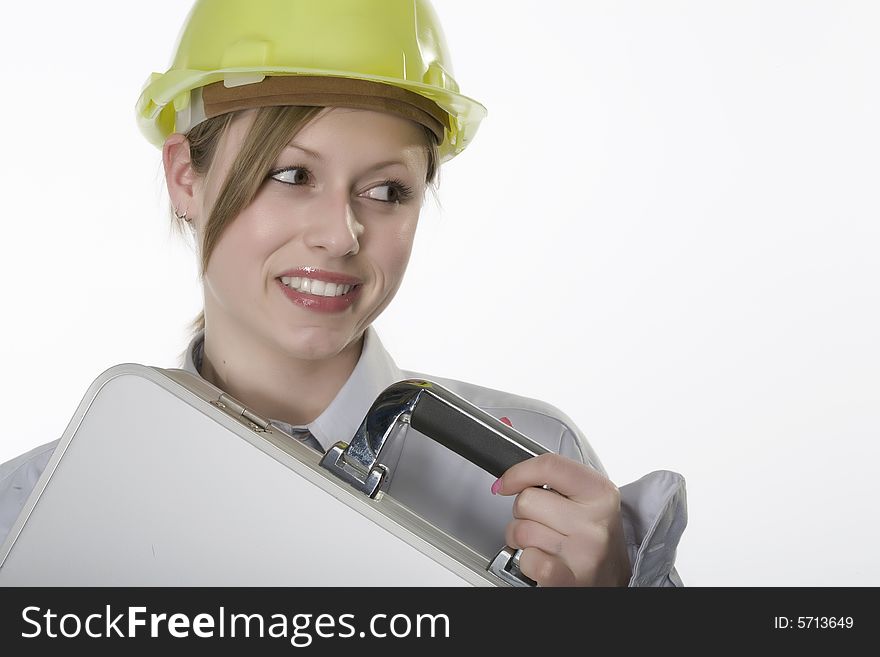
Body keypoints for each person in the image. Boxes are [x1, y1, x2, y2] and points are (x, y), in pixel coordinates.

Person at [0, 0, 686, 587]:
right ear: (186, 178)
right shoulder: (35, 508)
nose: (341, 234)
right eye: (293, 174)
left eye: (388, 190)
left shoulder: (539, 478)